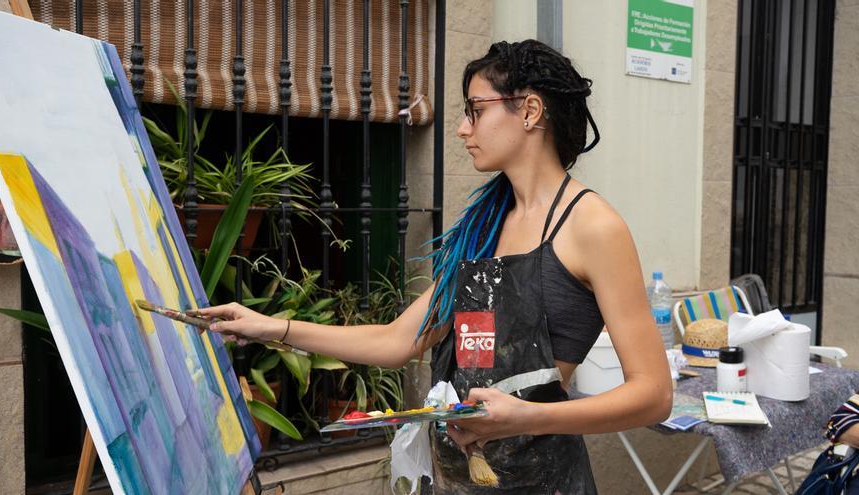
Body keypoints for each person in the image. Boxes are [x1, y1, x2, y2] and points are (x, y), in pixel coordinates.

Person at [200, 39, 673, 494]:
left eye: (476, 110)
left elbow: (653, 394)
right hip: (456, 481)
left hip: (542, 481)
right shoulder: (482, 228)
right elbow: (397, 340)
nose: (463, 129)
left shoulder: (594, 227)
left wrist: (527, 417)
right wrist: (270, 327)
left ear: (529, 111)